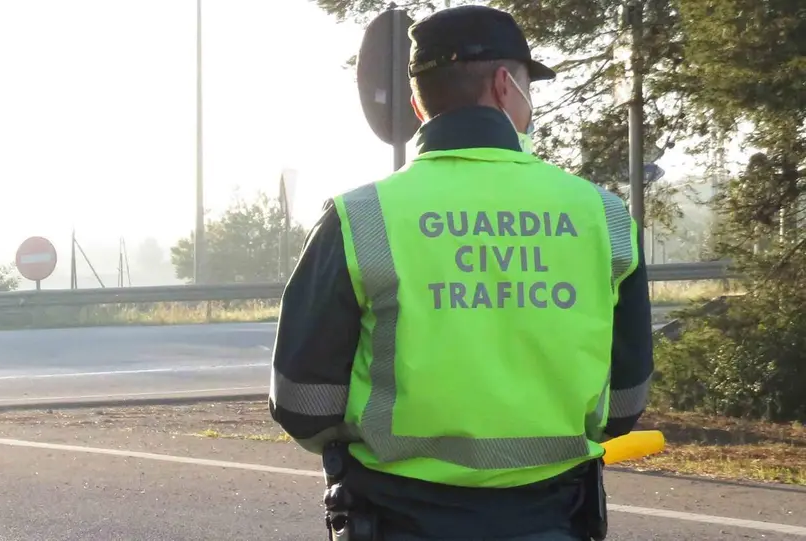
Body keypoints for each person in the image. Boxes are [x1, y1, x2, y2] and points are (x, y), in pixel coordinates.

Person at [268, 5, 653, 540]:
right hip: (551, 515)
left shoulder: (360, 216)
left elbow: (300, 403)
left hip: (397, 516)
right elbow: (626, 403)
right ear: (503, 86)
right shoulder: (604, 216)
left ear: (416, 102)